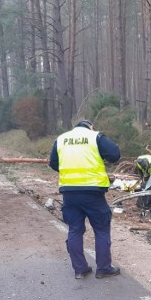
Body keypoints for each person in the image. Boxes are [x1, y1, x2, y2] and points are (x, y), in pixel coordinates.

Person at [49, 119, 121, 280]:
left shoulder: (61, 139)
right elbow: (115, 154)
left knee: (75, 229)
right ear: (90, 127)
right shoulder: (95, 136)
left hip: (69, 193)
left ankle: (80, 270)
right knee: (101, 230)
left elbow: (53, 163)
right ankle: (103, 269)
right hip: (93, 193)